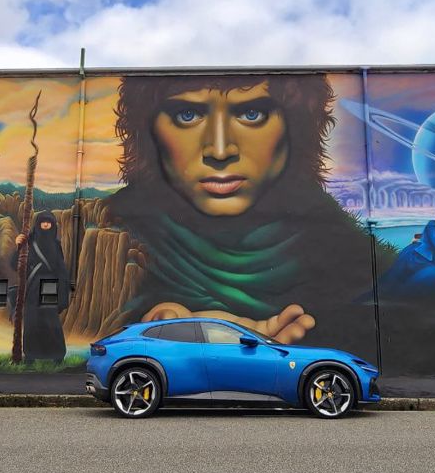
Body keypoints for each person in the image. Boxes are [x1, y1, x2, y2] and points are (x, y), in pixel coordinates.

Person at [98, 73, 384, 356]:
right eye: (187, 115)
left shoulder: (354, 257)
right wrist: (164, 327)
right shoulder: (105, 237)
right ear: (148, 131)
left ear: (296, 125)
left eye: (251, 114)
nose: (220, 151)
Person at [11, 211, 71, 363]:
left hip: (50, 286)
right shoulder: (28, 242)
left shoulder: (56, 245)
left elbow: (61, 270)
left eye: (48, 222)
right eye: (43, 222)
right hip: (32, 288)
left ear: (53, 225)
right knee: (32, 322)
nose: (45, 224)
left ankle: (57, 356)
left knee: (51, 322)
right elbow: (14, 265)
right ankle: (30, 356)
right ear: (37, 224)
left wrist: (62, 294)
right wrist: (18, 246)